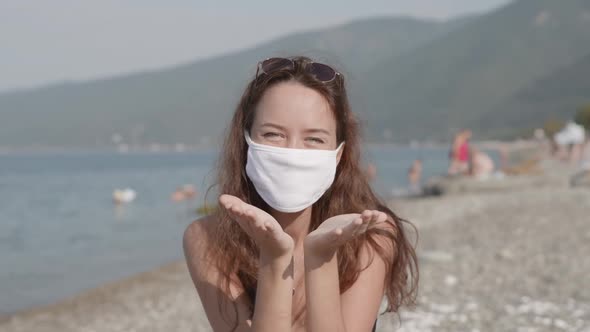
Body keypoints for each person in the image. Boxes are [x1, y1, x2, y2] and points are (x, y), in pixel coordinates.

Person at [183, 56, 418, 332]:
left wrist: (321, 258)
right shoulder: (208, 238)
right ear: (247, 142)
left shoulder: (369, 233)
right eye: (273, 134)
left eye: (314, 139)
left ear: (338, 154)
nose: (293, 151)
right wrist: (274, 258)